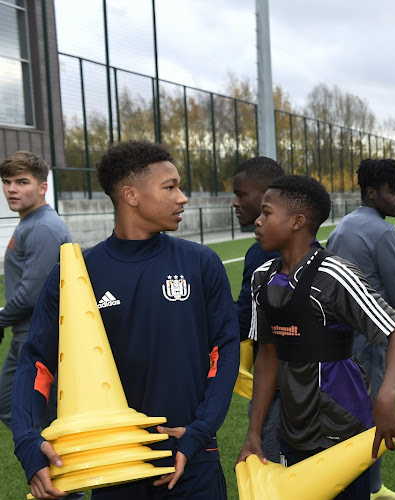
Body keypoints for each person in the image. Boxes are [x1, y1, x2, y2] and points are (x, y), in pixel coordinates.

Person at [11, 140, 239, 500]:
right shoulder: (77, 273)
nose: (183, 197)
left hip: (191, 460)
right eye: (170, 187)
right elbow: (37, 363)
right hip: (113, 469)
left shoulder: (200, 263)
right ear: (131, 195)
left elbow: (223, 353)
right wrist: (26, 439)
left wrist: (200, 431)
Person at [236, 175, 395, 500]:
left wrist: (386, 397)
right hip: (292, 431)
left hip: (342, 432)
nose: (257, 222)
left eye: (267, 213)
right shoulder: (263, 279)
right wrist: (254, 432)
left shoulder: (334, 275)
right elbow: (268, 356)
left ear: (297, 222)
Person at [327, 158, 395, 500]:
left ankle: (366, 486)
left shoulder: (342, 226)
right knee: (373, 412)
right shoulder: (382, 231)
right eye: (392, 191)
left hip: (337, 339)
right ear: (371, 193)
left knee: (349, 413)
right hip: (369, 338)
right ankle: (368, 490)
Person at [0, 151, 71, 430]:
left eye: (22, 182)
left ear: (42, 187)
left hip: (37, 336)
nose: (12, 189)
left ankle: (54, 470)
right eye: (7, 182)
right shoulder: (30, 223)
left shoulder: (43, 227)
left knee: (40, 418)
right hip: (26, 335)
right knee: (16, 408)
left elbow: (32, 292)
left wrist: (2, 318)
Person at [231, 156, 284, 463]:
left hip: (277, 386)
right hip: (315, 388)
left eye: (241, 194)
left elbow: (244, 320)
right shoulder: (310, 248)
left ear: (267, 195)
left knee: (273, 467)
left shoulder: (262, 253)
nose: (236, 203)